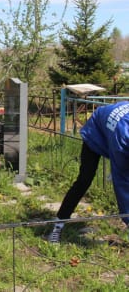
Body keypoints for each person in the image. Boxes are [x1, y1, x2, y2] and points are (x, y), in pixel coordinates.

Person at [47, 101, 129, 243]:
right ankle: (58, 225)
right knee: (85, 179)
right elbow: (122, 183)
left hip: (112, 128)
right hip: (96, 132)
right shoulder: (122, 138)